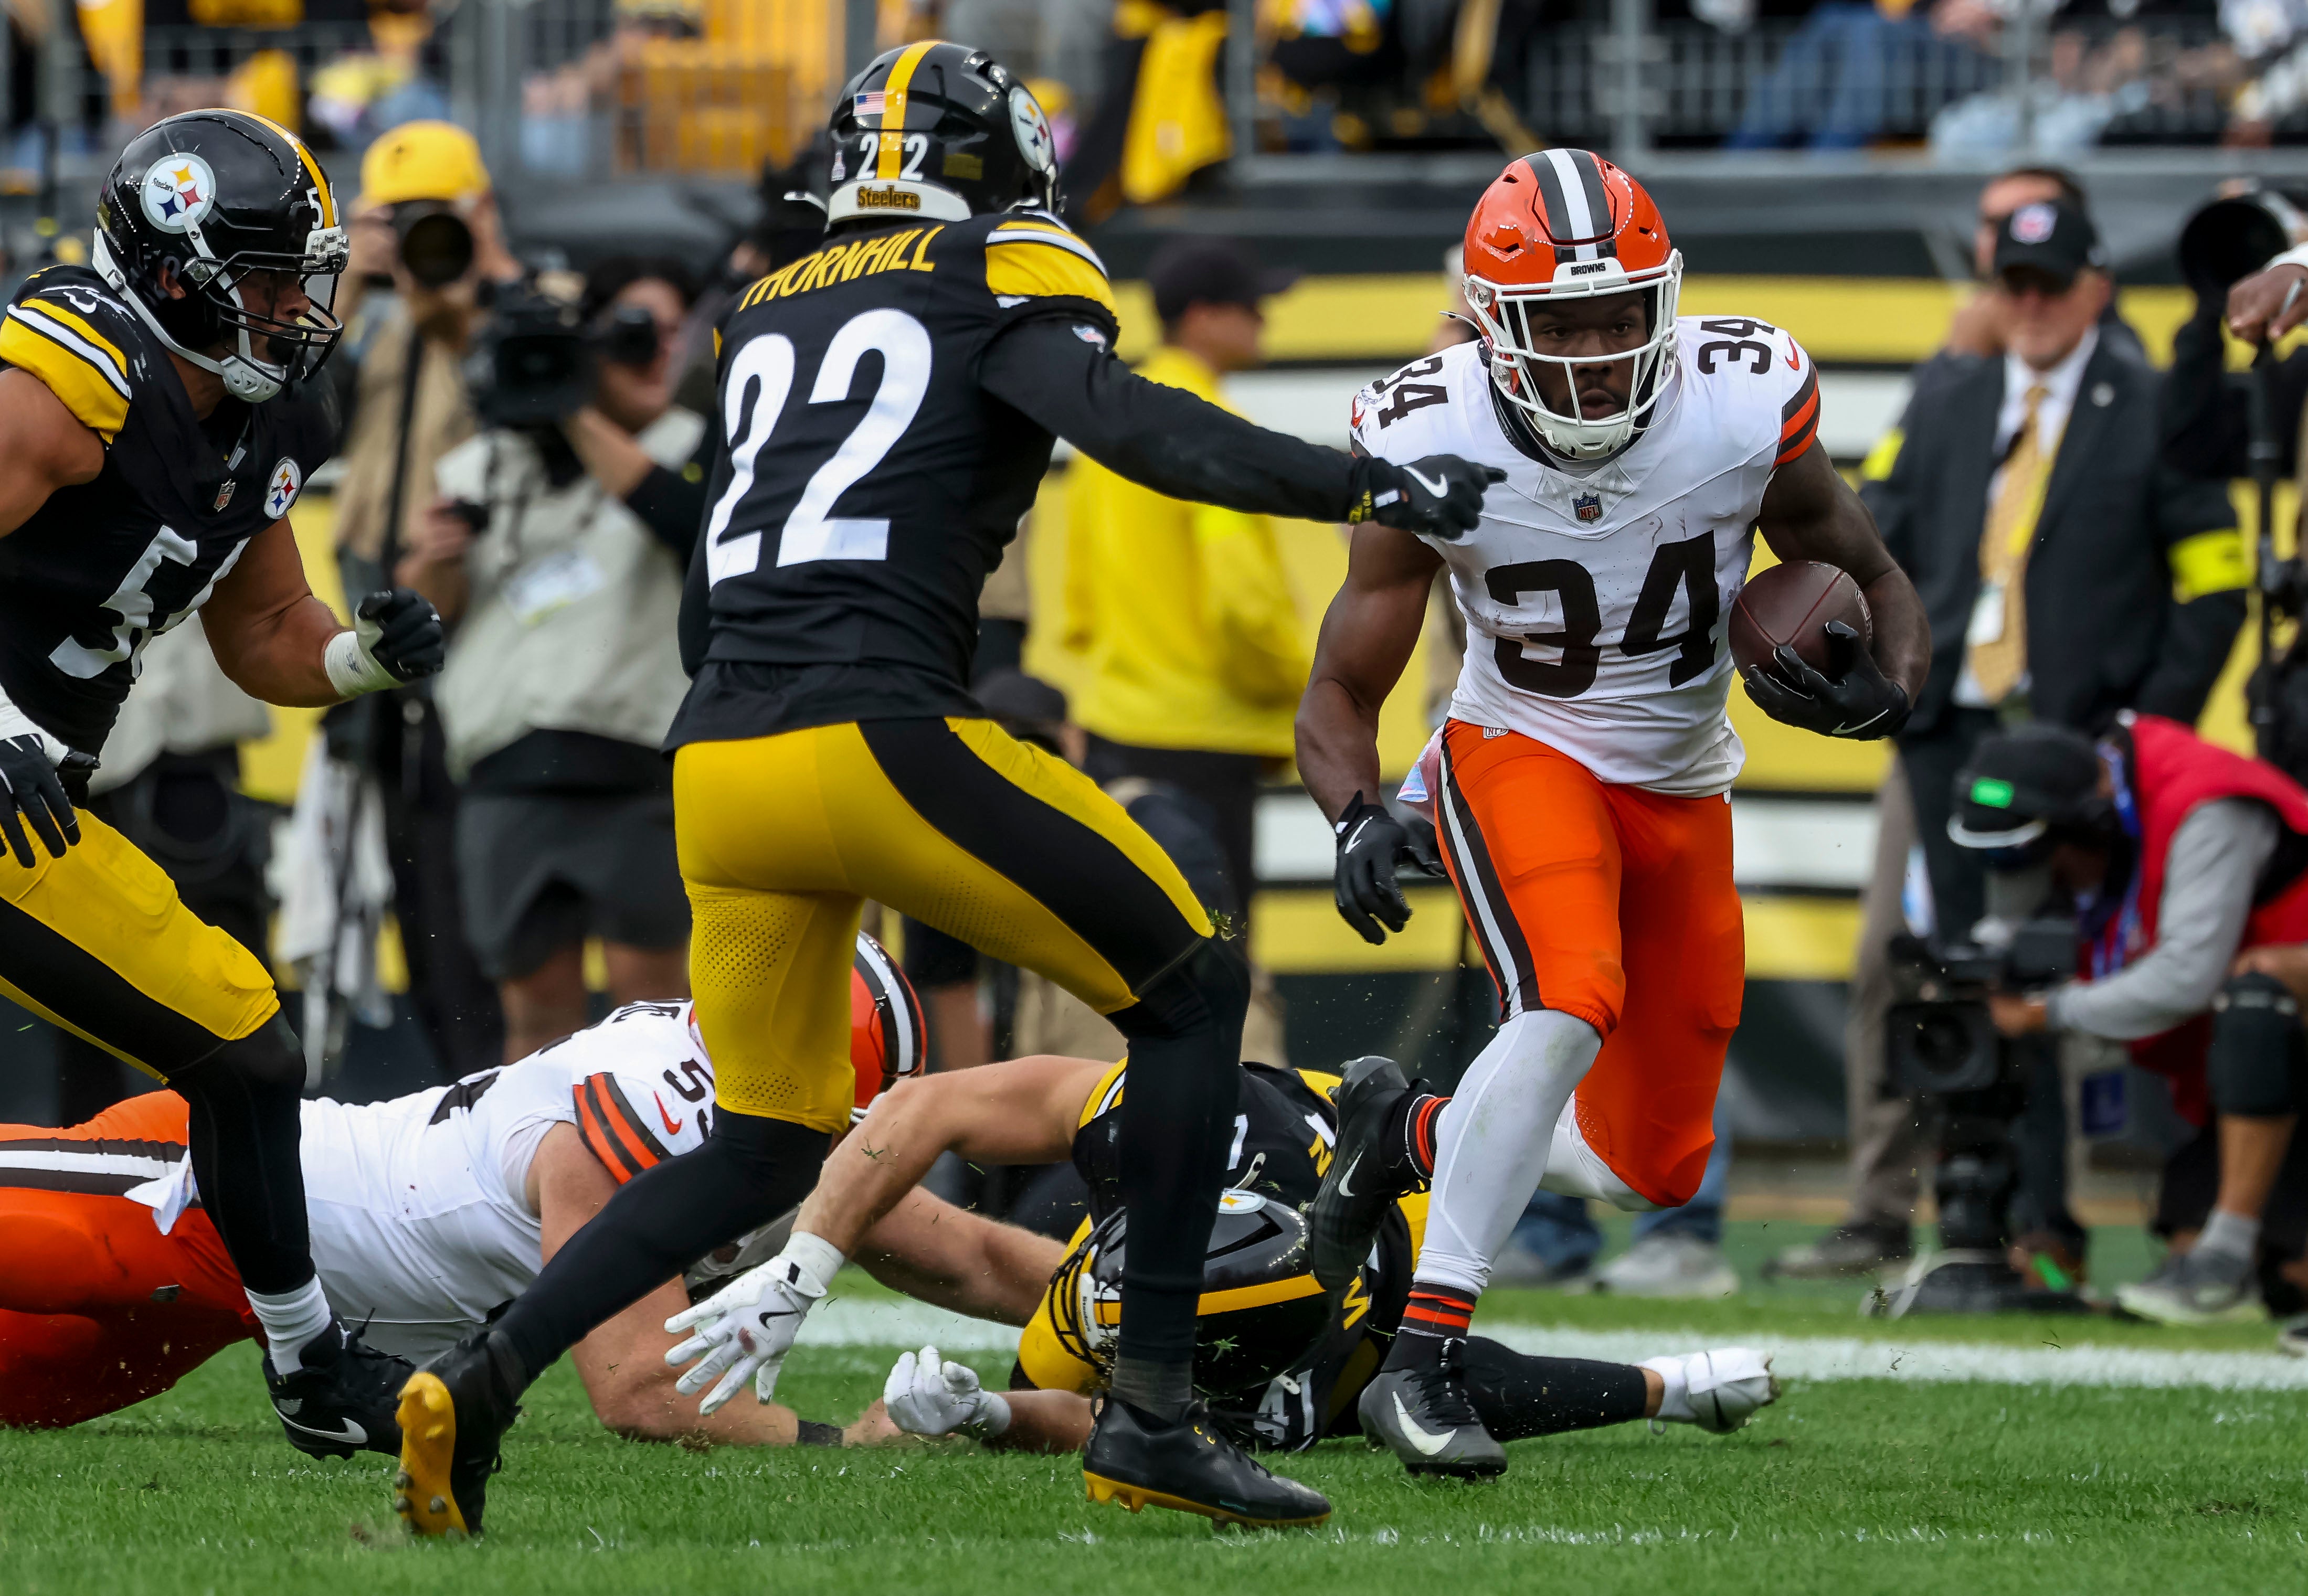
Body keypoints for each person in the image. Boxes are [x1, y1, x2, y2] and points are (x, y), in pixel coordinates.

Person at [391, 40, 1499, 1538]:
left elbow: (707, 602)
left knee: (766, 1138)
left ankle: (483, 1375)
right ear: (1001, 172)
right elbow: (1125, 426)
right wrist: (1349, 479)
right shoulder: (1004, 263)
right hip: (879, 732)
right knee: (1185, 989)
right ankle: (1155, 1419)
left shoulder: (763, 308)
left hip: (717, 760)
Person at [1294, 147, 1928, 1480]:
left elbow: (1866, 568)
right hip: (1514, 745)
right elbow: (1341, 684)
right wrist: (1357, 811)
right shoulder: (1423, 428)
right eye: (1559, 324)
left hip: (1680, 778)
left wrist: (1887, 688)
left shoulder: (1745, 398)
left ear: (1666, 300)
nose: (1592, 351)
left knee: (1652, 1165)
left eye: (1617, 315)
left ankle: (1396, 1129)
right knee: (1567, 992)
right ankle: (1423, 1362)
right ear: (1488, 321)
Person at [0, 111, 446, 1457]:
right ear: (179, 268)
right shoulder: (76, 369)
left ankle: (311, 1364)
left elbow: (264, 635)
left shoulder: (261, 421)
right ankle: (312, 1362)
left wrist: (362, 658)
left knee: (248, 1038)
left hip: (34, 796)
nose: (292, 309)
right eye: (262, 278)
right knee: (243, 1037)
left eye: (299, 278)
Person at [0, 937, 1044, 1445]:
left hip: (254, 1313)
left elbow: (975, 1258)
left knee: (20, 1402)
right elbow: (639, 1390)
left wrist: (1145, 1306)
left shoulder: (780, 1137)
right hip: (199, 1193)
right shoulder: (641, 1117)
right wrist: (835, 1441)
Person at [1774, 168, 2159, 1283]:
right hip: (1944, 727)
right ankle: (1890, 1207)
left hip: (2063, 743)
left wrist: (2145, 716)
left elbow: (2200, 573)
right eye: (2009, 272)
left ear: (2095, 286)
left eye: (2046, 276)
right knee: (1904, 962)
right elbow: (1874, 525)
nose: (2026, 298)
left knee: (2034, 973)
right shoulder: (1950, 390)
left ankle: (2038, 1218)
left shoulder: (2136, 397)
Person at [769, 1045, 1777, 1455]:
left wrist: (985, 1414)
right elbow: (927, 1104)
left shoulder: (1319, 1350)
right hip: (1333, 1163)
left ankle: (1663, 1384)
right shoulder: (1157, 1120)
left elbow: (1086, 1411)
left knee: (1406, 1394)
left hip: (1372, 1254)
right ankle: (1666, 1384)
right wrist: (802, 1264)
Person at [399, 256, 705, 1063]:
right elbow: (425, 614)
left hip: (635, 771)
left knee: (655, 1021)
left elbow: (692, 531)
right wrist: (431, 557)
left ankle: (666, 1185)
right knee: (536, 1024)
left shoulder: (684, 449)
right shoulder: (479, 467)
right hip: (507, 776)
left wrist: (575, 408)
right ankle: (545, 1185)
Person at [1950, 718, 2308, 1325]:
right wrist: (1980, 971)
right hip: (2260, 1068)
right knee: (2208, 1260)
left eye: (2033, 857)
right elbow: (2009, 935)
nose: (2029, 879)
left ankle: (2228, 1252)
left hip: (2284, 1015)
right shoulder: (2109, 813)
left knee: (2258, 988)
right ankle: (2223, 1253)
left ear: (2086, 826)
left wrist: (2045, 1011)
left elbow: (2186, 978)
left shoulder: (2207, 807)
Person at [330, 120, 526, 1080]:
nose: (416, 243)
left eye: (431, 221)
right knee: (429, 933)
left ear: (481, 210)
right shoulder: (383, 333)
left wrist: (476, 277)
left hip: (494, 666)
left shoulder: (529, 313)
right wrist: (349, 281)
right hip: (394, 666)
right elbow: (286, 414)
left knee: (497, 939)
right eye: (393, 223)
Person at [1064, 234, 1312, 924]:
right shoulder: (1212, 427)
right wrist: (1301, 683)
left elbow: (1076, 602)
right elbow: (1242, 600)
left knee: (1139, 959)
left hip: (1116, 732)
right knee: (1220, 957)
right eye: (1253, 306)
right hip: (1206, 742)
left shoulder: (1108, 424)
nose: (1265, 319)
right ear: (1202, 316)